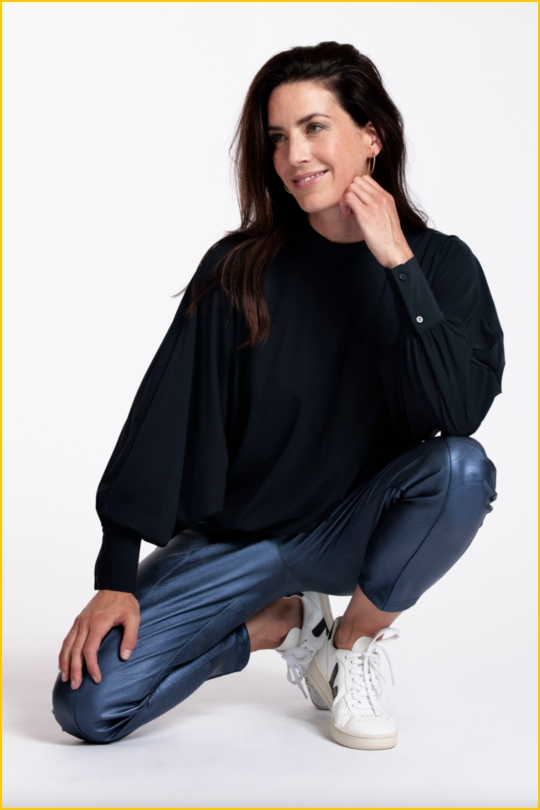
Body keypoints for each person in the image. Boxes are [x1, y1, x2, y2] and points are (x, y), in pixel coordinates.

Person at [52, 41, 504, 750]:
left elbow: (456, 413)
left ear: (372, 137)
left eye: (315, 127)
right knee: (88, 707)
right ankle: (283, 625)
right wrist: (115, 573)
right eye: (277, 137)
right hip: (241, 538)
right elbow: (164, 418)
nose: (294, 155)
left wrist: (398, 262)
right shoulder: (239, 269)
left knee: (462, 469)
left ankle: (350, 643)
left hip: (353, 530)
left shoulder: (442, 265)